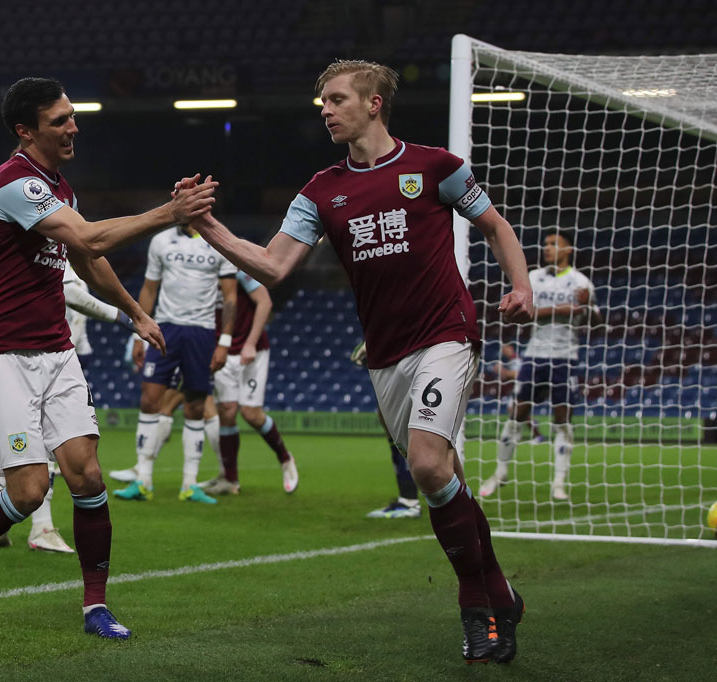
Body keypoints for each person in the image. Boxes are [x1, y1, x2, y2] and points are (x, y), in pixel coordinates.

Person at [181, 59, 534, 664]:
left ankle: (475, 607)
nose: (325, 110)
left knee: (427, 465)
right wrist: (207, 224)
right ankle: (503, 592)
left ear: (373, 104)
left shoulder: (436, 167)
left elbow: (495, 226)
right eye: (322, 101)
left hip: (447, 333)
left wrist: (520, 285)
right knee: (445, 480)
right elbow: (273, 266)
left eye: (337, 99)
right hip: (385, 352)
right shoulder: (320, 191)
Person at [0, 76, 217, 638]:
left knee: (87, 475)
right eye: (59, 120)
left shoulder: (61, 189)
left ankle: (95, 607)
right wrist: (169, 211)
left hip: (57, 352)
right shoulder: (13, 183)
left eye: (72, 116)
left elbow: (87, 262)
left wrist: (135, 312)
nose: (73, 127)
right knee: (28, 490)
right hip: (1, 356)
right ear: (25, 131)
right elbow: (90, 240)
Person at [0, 260, 141, 554]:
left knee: (18, 442)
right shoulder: (53, 248)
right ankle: (41, 528)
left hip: (52, 354)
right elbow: (70, 294)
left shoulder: (58, 253)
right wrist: (124, 316)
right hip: (39, 357)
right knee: (44, 445)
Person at [111, 223, 238, 504]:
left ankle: (190, 485)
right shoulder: (161, 241)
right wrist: (137, 335)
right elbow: (149, 288)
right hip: (165, 328)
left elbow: (230, 296)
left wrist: (225, 342)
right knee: (149, 399)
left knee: (195, 406)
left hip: (202, 332)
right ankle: (143, 480)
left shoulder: (220, 240)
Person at [479, 230, 601, 501]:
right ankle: (500, 472)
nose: (547, 248)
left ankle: (559, 482)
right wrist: (563, 310)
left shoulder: (581, 283)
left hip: (566, 358)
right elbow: (522, 312)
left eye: (554, 244)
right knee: (517, 415)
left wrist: (588, 306)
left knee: (562, 420)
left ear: (568, 250)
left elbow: (596, 324)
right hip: (535, 356)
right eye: (546, 244)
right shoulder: (533, 278)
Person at [202, 270, 299, 496]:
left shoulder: (236, 267)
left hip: (251, 350)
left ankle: (285, 458)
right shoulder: (201, 269)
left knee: (251, 414)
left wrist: (251, 343)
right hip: (222, 351)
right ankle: (230, 480)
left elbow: (265, 302)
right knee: (226, 412)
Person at [350, 341, 422, 518]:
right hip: (397, 348)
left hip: (410, 348)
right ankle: (408, 496)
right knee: (388, 418)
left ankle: (411, 500)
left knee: (400, 421)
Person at [484, 343, 544, 444]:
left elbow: (518, 375)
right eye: (502, 350)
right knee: (514, 411)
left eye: (505, 349)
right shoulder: (511, 361)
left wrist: (503, 371)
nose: (503, 351)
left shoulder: (516, 360)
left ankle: (533, 433)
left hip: (522, 390)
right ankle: (524, 432)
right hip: (516, 390)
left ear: (511, 348)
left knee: (517, 411)